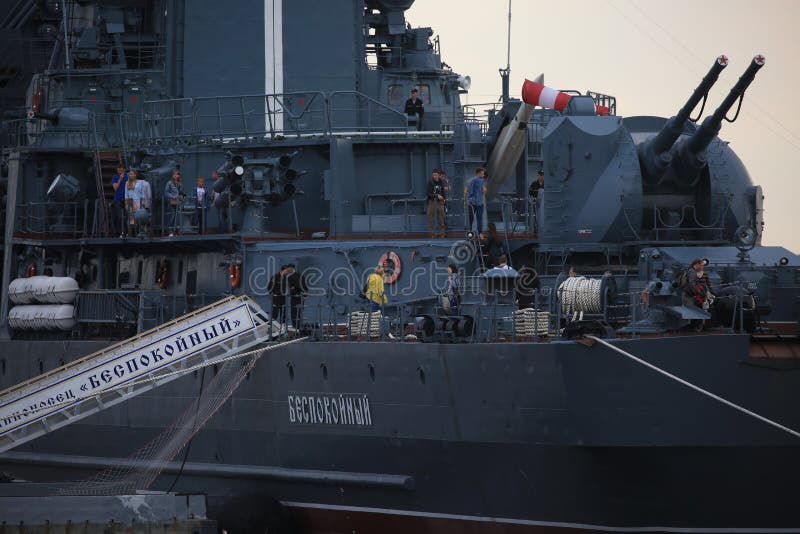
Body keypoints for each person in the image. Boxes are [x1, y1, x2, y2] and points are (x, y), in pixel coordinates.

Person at [682, 258, 711, 332]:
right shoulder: (692, 272)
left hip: (695, 294)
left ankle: (697, 326)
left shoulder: (694, 271)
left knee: (697, 310)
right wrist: (697, 293)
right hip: (692, 295)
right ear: (696, 264)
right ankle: (694, 327)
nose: (702, 267)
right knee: (694, 311)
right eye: (701, 265)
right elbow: (692, 284)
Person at [464, 167, 487, 236]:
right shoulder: (472, 181)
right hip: (475, 203)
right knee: (476, 218)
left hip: (475, 202)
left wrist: (465, 201)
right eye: (482, 174)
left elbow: (465, 191)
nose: (483, 175)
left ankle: (471, 233)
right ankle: (479, 233)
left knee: (473, 218)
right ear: (478, 173)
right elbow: (465, 191)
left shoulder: (473, 180)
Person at [426, 169, 446, 237]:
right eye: (433, 175)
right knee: (430, 219)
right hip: (432, 202)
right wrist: (437, 195)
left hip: (440, 203)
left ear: (438, 175)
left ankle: (442, 234)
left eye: (436, 175)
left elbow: (443, 192)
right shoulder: (430, 182)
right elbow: (428, 194)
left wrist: (444, 199)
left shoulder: (441, 182)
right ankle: (432, 235)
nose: (435, 176)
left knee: (441, 219)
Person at [164, 169, 184, 237]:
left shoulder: (180, 184)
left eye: (177, 174)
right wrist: (172, 196)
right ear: (172, 175)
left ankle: (175, 231)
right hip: (171, 202)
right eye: (174, 174)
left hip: (178, 202)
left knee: (177, 216)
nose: (176, 176)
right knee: (172, 216)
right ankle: (170, 231)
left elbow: (181, 193)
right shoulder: (169, 183)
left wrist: (181, 197)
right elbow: (166, 192)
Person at [111, 165, 128, 237]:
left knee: (128, 216)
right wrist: (120, 179)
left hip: (127, 199)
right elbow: (115, 188)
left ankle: (127, 231)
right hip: (117, 199)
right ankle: (118, 232)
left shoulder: (128, 176)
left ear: (124, 170)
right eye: (118, 170)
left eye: (121, 170)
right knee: (118, 216)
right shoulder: (115, 177)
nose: (119, 172)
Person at [124, 169, 141, 238]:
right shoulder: (127, 183)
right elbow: (126, 194)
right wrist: (126, 204)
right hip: (130, 201)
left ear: (135, 174)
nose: (130, 175)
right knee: (131, 218)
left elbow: (141, 193)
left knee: (137, 217)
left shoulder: (139, 183)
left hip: (137, 201)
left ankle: (138, 233)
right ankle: (131, 233)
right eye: (129, 174)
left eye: (132, 174)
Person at [137, 171, 153, 237]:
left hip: (138, 204)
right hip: (146, 204)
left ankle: (140, 231)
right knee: (147, 217)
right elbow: (149, 195)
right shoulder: (147, 183)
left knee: (139, 217)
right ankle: (147, 231)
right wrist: (150, 203)